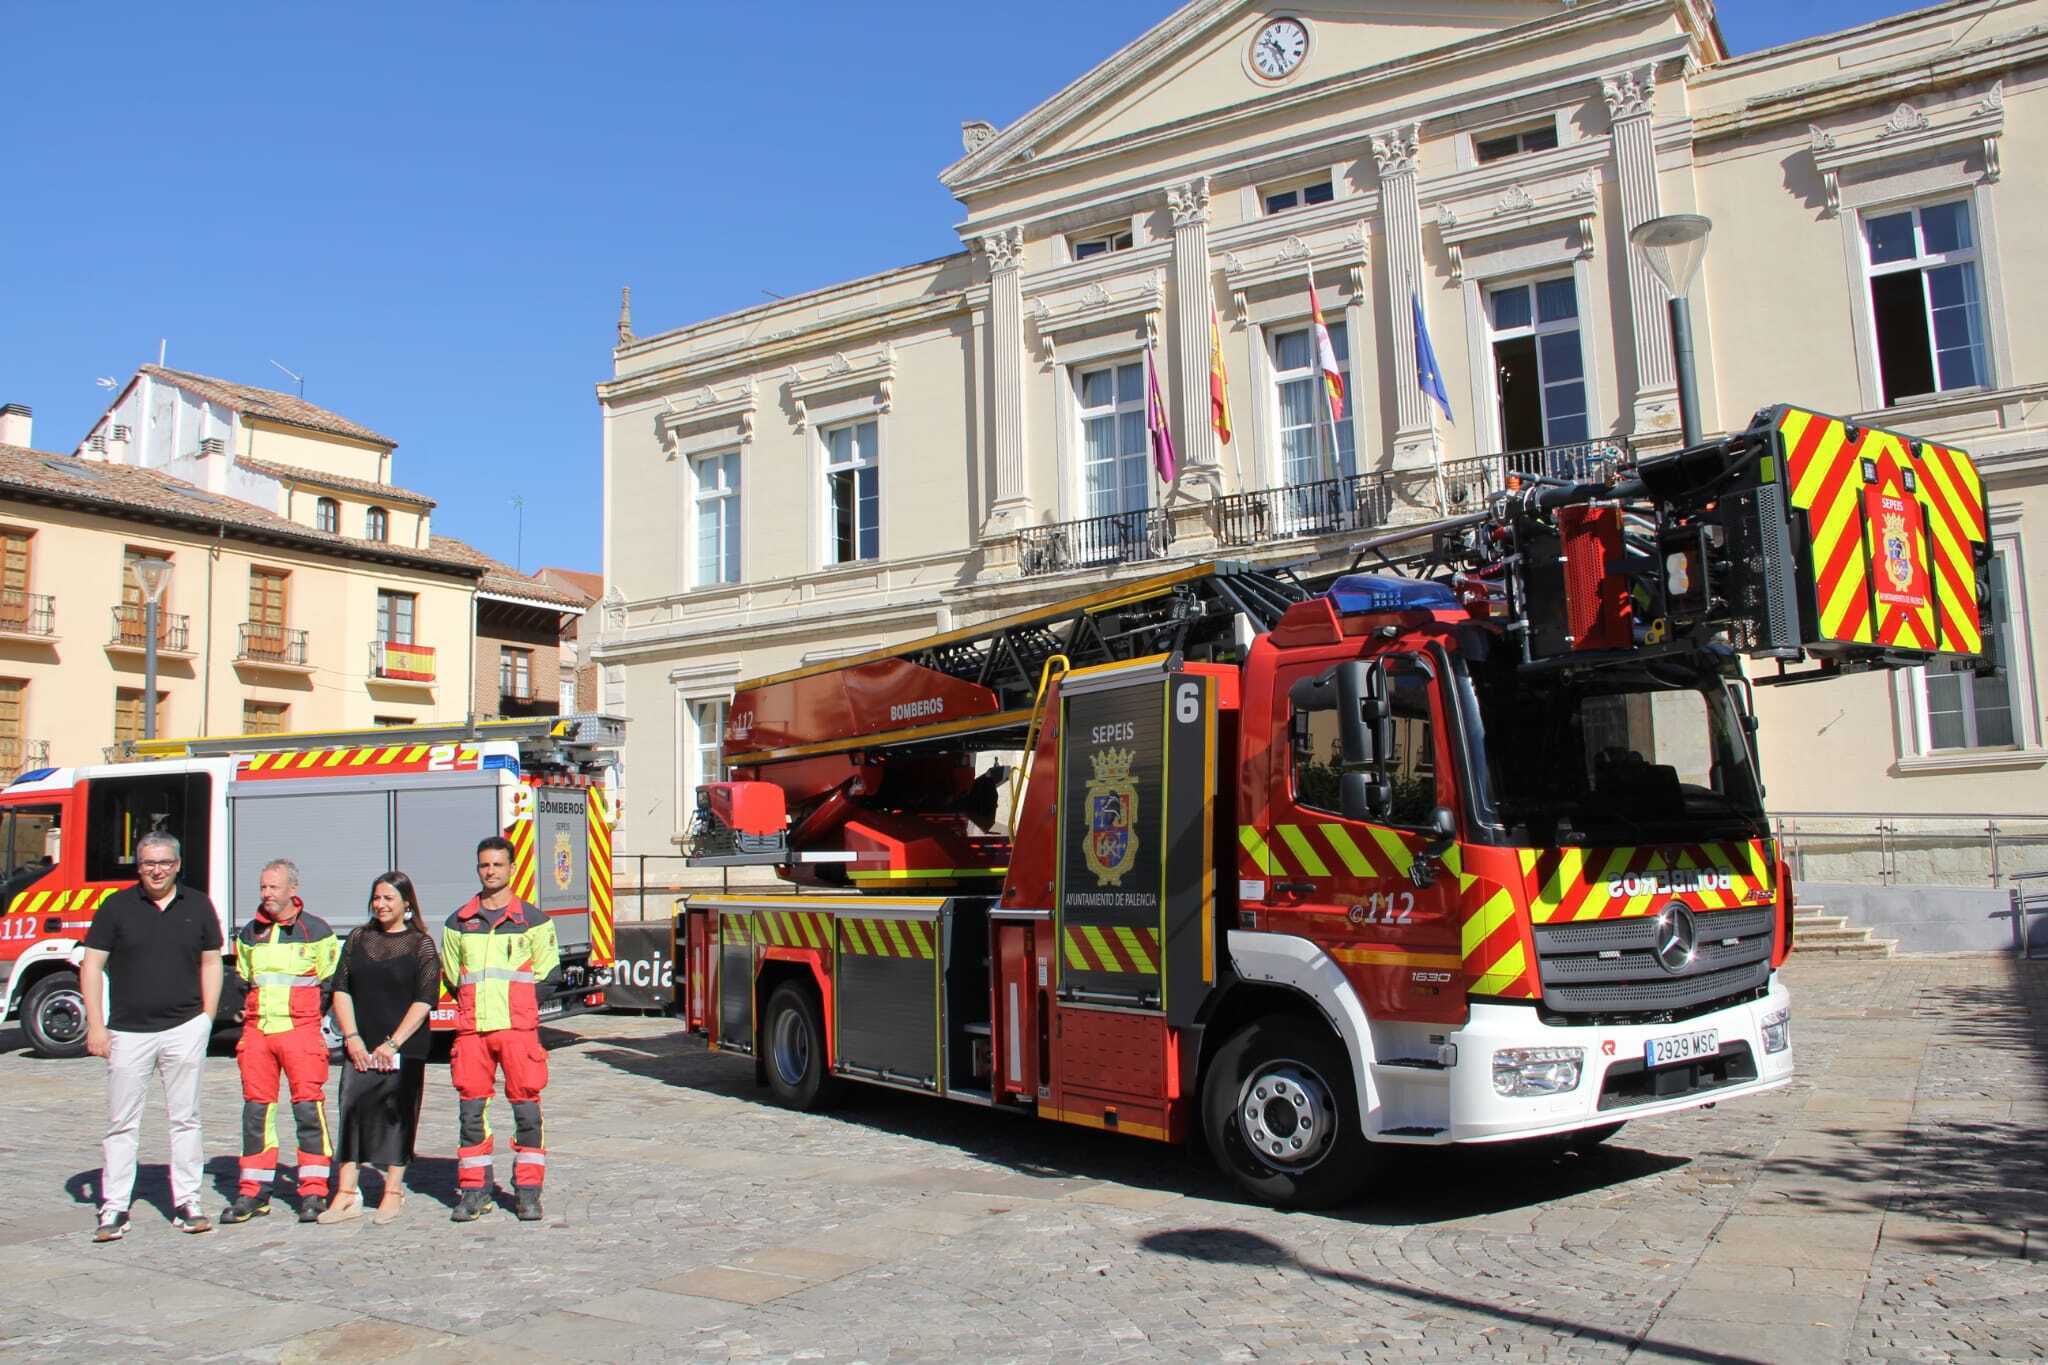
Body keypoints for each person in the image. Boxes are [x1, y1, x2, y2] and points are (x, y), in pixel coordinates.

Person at [80, 830, 222, 1242]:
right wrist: (96, 1024)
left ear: (177, 864)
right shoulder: (116, 907)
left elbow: (211, 962)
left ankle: (188, 1201)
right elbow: (91, 967)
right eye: (148, 863)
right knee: (121, 1123)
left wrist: (206, 1020)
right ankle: (114, 1207)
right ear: (138, 866)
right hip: (128, 1032)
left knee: (185, 1119)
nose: (156, 870)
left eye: (164, 862)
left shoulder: (198, 904)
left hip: (184, 1027)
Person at [442, 835, 561, 1223]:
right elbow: (452, 977)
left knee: (527, 1113)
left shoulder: (534, 921)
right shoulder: (458, 923)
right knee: (471, 1114)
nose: (490, 871)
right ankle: (474, 1192)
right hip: (473, 1031)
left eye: (497, 864)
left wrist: (517, 1007)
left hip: (517, 1030)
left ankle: (528, 1192)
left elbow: (548, 975)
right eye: (484, 865)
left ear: (511, 868)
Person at [220, 859, 340, 1225]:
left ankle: (314, 1191)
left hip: (300, 1032)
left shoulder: (316, 931)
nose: (266, 895)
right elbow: (243, 981)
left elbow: (330, 983)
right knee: (257, 1113)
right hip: (258, 1033)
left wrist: (309, 1017)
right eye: (263, 888)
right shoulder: (249, 933)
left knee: (308, 1111)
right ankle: (253, 1192)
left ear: (292, 889)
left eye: (273, 888)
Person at [320, 871, 440, 1226]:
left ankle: (392, 1191)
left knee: (396, 1115)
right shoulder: (358, 938)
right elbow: (340, 988)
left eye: (389, 898)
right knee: (352, 1108)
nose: (381, 904)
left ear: (406, 904)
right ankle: (346, 1193)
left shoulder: (421, 944)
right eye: (377, 897)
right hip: (361, 1041)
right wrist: (352, 1037)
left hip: (403, 1045)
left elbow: (425, 999)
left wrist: (393, 1043)